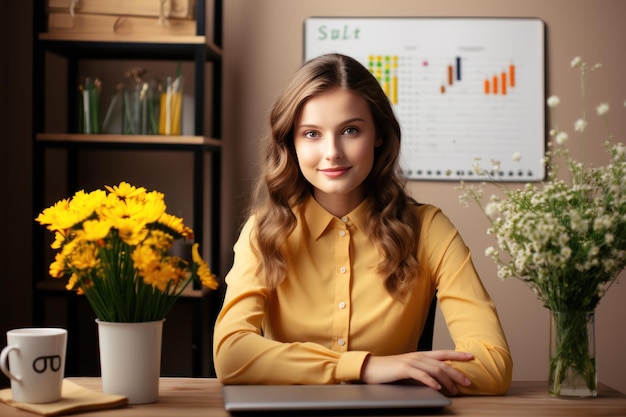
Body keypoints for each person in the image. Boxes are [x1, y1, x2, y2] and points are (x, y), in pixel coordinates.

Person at [213, 53, 512, 395]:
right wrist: (367, 367)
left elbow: (493, 364)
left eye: (350, 130)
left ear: (379, 135)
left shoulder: (428, 228)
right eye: (311, 134)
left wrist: (405, 373)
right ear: (291, 143)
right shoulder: (262, 232)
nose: (332, 152)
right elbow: (231, 354)